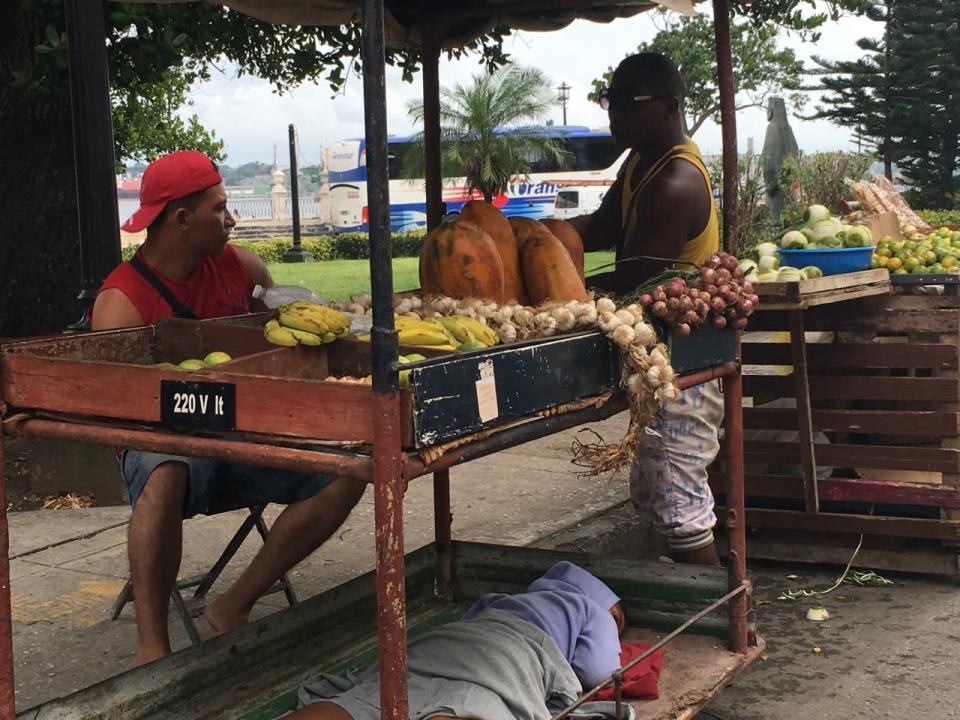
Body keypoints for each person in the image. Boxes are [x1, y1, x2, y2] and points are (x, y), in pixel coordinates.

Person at [92, 150, 366, 665]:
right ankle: (153, 650)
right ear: (181, 219)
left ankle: (232, 606)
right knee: (163, 471)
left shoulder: (241, 267)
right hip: (170, 448)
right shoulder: (120, 303)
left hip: (249, 438)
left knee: (349, 468)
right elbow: (120, 418)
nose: (232, 219)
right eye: (220, 209)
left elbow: (288, 339)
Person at [568, 53, 723, 567]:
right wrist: (541, 236)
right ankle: (680, 603)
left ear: (670, 107)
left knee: (679, 501)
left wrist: (559, 289)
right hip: (653, 359)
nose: (613, 116)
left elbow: (631, 275)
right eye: (610, 101)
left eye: (627, 104)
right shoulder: (641, 162)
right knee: (656, 492)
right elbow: (605, 227)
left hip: (680, 364)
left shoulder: (675, 181)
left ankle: (720, 620)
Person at [290, 561, 627, 720]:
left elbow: (467, 626)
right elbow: (599, 669)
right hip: (505, 662)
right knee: (462, 703)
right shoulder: (590, 609)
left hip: (441, 647)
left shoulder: (502, 600)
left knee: (376, 697)